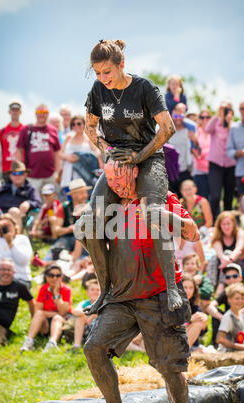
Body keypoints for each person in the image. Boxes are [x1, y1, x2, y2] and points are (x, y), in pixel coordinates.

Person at [77, 154, 199, 403]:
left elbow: (192, 233)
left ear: (135, 174)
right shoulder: (109, 206)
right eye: (110, 181)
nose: (116, 186)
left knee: (170, 364)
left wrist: (159, 215)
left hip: (159, 293)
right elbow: (90, 238)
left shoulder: (160, 198)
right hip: (123, 295)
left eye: (120, 179)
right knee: (94, 348)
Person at [76, 39, 196, 315]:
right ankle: (107, 289)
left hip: (148, 157)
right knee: (88, 224)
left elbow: (167, 129)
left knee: (152, 213)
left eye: (107, 71)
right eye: (98, 73)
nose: (103, 78)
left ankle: (170, 288)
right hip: (117, 159)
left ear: (121, 64)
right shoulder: (97, 90)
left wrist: (139, 157)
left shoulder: (144, 88)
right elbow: (90, 129)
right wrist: (109, 151)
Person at [20, 264, 72, 352]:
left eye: (58, 275)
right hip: (45, 323)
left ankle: (52, 343)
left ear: (61, 277)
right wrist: (55, 313)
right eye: (52, 275)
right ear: (46, 277)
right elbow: (37, 311)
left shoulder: (66, 290)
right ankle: (28, 342)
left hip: (61, 322)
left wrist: (56, 294)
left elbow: (63, 312)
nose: (55, 278)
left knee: (57, 318)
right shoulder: (43, 289)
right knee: (40, 314)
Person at [206, 263, 244, 347]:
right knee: (216, 312)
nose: (232, 279)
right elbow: (210, 306)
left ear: (240, 277)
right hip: (228, 322)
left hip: (242, 321)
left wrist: (237, 315)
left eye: (235, 276)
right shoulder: (226, 292)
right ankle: (217, 344)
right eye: (228, 277)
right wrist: (222, 317)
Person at [16, 103, 61, 193]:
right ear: (35, 113)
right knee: (33, 203)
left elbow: (57, 153)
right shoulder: (26, 129)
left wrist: (57, 173)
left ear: (48, 114)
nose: (42, 114)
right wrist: (21, 172)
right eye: (39, 111)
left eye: (44, 112)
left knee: (50, 205)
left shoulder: (53, 130)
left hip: (50, 176)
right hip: (32, 176)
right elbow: (19, 151)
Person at [0, 213, 33, 288]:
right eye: (4, 226)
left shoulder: (22, 239)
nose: (7, 228)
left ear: (14, 226)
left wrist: (10, 243)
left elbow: (23, 260)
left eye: (9, 225)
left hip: (19, 279)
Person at [0, 160, 42, 231]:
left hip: (16, 216)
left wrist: (29, 203)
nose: (17, 176)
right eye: (14, 173)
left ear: (25, 175)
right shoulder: (3, 188)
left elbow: (38, 202)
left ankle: (16, 240)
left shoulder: (30, 189)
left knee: (14, 211)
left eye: (20, 173)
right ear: (10, 175)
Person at [47, 178, 90, 261]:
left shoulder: (91, 205)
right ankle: (47, 263)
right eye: (81, 193)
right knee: (54, 252)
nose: (85, 195)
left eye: (85, 192)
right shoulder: (64, 207)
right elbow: (56, 230)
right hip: (68, 238)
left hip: (86, 240)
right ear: (73, 195)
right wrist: (69, 229)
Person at [205, 102, 235, 220]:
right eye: (223, 109)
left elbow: (235, 136)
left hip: (231, 164)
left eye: (228, 109)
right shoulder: (215, 123)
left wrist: (230, 122)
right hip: (215, 164)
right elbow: (207, 129)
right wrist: (218, 114)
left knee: (228, 196)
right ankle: (213, 221)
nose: (225, 111)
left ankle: (228, 222)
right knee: (215, 196)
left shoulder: (234, 125)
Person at [59, 115, 102, 196]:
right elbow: (60, 154)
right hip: (69, 172)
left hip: (84, 172)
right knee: (70, 198)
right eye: (73, 124)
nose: (76, 126)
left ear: (84, 124)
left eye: (79, 124)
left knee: (85, 196)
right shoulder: (68, 137)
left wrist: (98, 161)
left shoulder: (88, 138)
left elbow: (97, 151)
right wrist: (68, 157)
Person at [208, 211, 244, 294]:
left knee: (228, 253)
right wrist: (224, 261)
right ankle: (210, 285)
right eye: (223, 224)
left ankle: (220, 286)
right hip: (221, 265)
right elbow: (220, 254)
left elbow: (239, 250)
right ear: (220, 226)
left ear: (233, 224)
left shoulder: (240, 233)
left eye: (228, 224)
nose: (226, 226)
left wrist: (228, 259)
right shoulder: (217, 236)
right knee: (214, 258)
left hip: (238, 264)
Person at [216, 283, 244, 353]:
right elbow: (219, 339)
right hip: (226, 353)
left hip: (238, 352)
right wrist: (241, 347)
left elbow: (241, 337)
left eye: (242, 298)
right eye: (236, 298)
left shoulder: (242, 315)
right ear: (229, 299)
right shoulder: (228, 317)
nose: (240, 301)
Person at [64, 278, 100, 351]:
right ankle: (77, 345)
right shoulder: (85, 303)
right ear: (87, 292)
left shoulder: (103, 303)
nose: (95, 292)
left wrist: (93, 315)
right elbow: (75, 311)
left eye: (98, 290)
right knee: (80, 317)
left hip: (99, 330)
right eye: (92, 290)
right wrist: (88, 316)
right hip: (86, 330)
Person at [167, 104, 194, 196]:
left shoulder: (189, 131)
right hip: (170, 172)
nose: (178, 118)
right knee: (172, 199)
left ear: (185, 117)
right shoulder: (167, 131)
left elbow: (196, 147)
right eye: (175, 115)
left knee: (185, 198)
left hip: (185, 170)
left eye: (181, 115)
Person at [0, 101, 24, 179]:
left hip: (21, 170)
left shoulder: (25, 131)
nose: (15, 112)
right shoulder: (1, 132)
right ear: (9, 112)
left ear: (20, 112)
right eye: (13, 110)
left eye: (17, 110)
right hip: (6, 170)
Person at [182, 273, 208, 351]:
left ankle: (188, 352)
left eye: (191, 288)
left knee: (199, 322)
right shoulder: (171, 305)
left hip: (190, 343)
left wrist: (205, 321)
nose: (188, 291)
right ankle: (182, 354)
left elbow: (201, 334)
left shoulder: (194, 306)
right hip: (172, 342)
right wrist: (189, 319)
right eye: (185, 287)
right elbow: (170, 328)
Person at [193, 109, 211, 198]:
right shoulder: (196, 131)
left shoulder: (213, 131)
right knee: (203, 198)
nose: (205, 120)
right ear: (199, 119)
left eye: (207, 117)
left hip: (213, 169)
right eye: (202, 117)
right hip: (200, 170)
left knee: (214, 198)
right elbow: (194, 148)